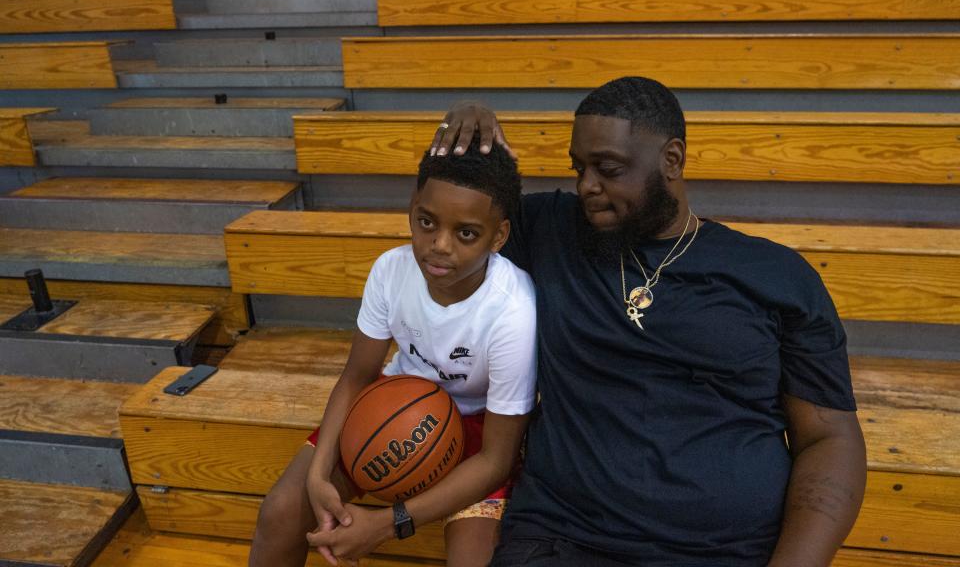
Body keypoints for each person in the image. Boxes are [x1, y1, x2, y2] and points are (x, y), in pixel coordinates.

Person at [430, 76, 867, 567]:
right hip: (563, 540)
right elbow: (444, 225)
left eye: (608, 168)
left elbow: (828, 438)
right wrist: (467, 127)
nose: (586, 186)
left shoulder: (775, 276)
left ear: (672, 160)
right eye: (579, 168)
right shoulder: (550, 230)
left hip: (725, 552)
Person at [248, 139, 537, 567]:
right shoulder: (391, 270)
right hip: (393, 405)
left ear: (499, 236)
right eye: (426, 222)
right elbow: (357, 376)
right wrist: (317, 472)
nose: (439, 245)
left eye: (466, 233)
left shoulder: (513, 310)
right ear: (412, 208)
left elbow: (498, 458)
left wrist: (388, 522)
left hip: (479, 434)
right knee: (282, 511)